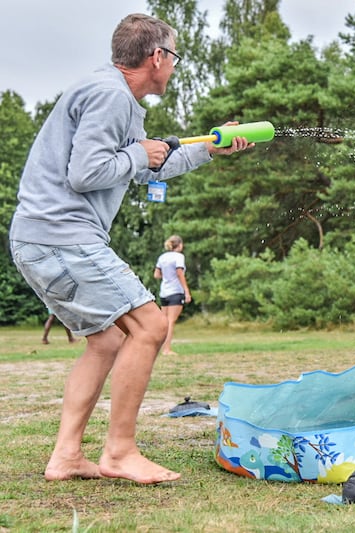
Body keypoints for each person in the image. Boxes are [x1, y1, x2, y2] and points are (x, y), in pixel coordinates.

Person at [8, 13, 252, 484]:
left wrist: (206, 149)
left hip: (45, 237)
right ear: (156, 57)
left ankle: (66, 456)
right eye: (174, 57)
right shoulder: (111, 96)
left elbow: (138, 168)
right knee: (150, 325)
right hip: (62, 236)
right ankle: (119, 452)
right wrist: (140, 153)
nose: (175, 67)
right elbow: (86, 174)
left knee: (107, 340)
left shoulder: (115, 96)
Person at [154, 235, 192, 356]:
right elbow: (179, 273)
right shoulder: (179, 257)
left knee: (163, 322)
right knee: (171, 321)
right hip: (176, 291)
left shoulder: (162, 257)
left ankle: (157, 349)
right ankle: (167, 349)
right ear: (179, 245)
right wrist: (186, 291)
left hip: (164, 292)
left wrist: (167, 276)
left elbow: (156, 275)